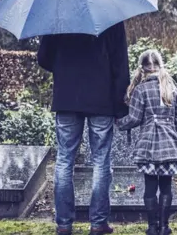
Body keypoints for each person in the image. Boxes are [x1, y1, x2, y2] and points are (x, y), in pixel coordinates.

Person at [37, 22, 130, 235]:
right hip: (101, 99)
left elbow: (43, 57)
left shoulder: (59, 16)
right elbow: (120, 63)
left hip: (67, 97)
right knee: (101, 161)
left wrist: (64, 67)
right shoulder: (111, 16)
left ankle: (63, 225)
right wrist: (120, 106)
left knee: (64, 160)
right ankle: (98, 224)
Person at [117, 50, 177, 235]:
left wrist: (118, 123)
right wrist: (172, 135)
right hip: (169, 145)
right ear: (159, 65)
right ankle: (164, 227)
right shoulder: (171, 88)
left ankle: (152, 227)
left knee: (150, 187)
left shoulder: (141, 90)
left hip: (148, 146)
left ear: (143, 68)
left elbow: (134, 118)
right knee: (166, 186)